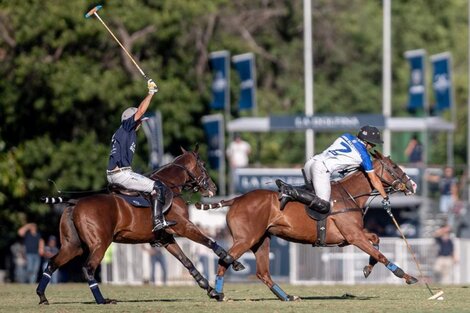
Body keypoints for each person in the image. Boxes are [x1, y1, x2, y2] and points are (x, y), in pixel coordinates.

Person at [106, 79, 176, 232]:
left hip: (114, 174)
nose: (141, 123)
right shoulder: (126, 127)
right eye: (139, 121)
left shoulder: (122, 132)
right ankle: (158, 221)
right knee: (157, 187)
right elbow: (140, 111)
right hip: (121, 174)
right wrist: (151, 93)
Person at [277, 125, 391, 214]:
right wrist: (385, 196)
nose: (374, 146)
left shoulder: (346, 136)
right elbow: (374, 179)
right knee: (324, 205)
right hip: (321, 169)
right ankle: (291, 191)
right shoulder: (364, 156)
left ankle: (289, 188)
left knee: (311, 192)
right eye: (373, 144)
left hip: (311, 162)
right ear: (366, 142)